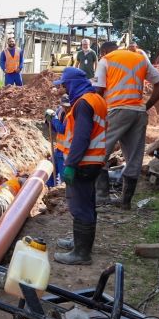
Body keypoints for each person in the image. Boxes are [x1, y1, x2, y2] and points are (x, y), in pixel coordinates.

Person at [93, 41, 159, 209]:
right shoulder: (140, 59)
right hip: (138, 113)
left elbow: (98, 90)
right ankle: (125, 202)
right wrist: (146, 106)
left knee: (99, 152)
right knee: (134, 158)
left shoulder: (105, 60)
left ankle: (103, 197)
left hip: (117, 110)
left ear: (104, 51)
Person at [52, 67, 108, 265]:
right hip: (94, 161)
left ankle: (82, 254)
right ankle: (79, 243)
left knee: (80, 206)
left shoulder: (83, 104)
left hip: (83, 163)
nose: (64, 90)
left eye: (66, 85)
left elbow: (81, 138)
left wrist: (71, 164)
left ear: (74, 83)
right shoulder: (96, 99)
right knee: (88, 203)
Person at [44, 94, 71, 187]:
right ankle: (52, 190)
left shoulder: (72, 115)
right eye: (65, 106)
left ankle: (63, 194)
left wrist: (53, 118)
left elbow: (62, 129)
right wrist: (48, 121)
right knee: (51, 171)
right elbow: (55, 128)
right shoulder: (60, 111)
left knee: (64, 177)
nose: (67, 109)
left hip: (66, 152)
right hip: (58, 149)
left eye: (69, 107)